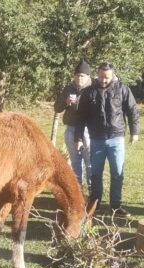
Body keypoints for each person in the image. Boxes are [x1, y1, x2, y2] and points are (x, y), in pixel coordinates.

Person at [75, 62, 139, 217]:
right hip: (96, 140)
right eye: (101, 77)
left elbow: (132, 111)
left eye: (107, 77)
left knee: (117, 173)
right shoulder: (88, 92)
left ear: (113, 75)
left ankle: (115, 206)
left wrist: (134, 132)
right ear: (97, 75)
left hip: (116, 139)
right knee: (96, 174)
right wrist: (79, 138)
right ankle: (95, 205)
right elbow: (80, 117)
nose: (104, 80)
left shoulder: (123, 89)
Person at [54, 60, 92, 192]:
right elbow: (57, 108)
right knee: (75, 161)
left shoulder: (93, 88)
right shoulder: (68, 89)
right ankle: (78, 190)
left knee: (90, 161)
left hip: (88, 130)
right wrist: (66, 102)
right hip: (71, 128)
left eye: (82, 76)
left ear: (88, 76)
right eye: (77, 76)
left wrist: (80, 104)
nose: (79, 78)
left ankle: (92, 191)